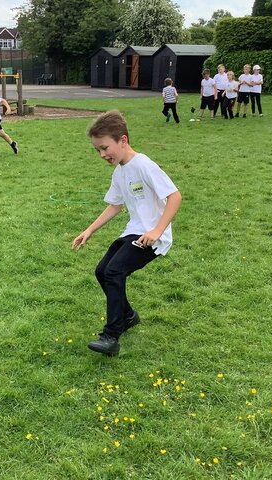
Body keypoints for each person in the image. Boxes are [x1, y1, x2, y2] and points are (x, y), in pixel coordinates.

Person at [72, 110, 182, 357]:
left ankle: (111, 336)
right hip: (134, 231)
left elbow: (175, 196)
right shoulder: (120, 172)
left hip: (153, 236)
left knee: (114, 271)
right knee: (102, 271)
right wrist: (88, 230)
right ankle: (128, 315)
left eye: (104, 148)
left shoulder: (143, 165)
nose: (102, 155)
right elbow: (114, 205)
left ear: (123, 140)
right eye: (97, 150)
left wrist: (156, 230)